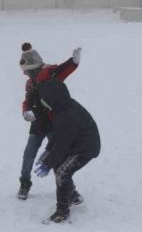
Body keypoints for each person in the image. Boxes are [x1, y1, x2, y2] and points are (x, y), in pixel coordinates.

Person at [33, 64, 100, 224]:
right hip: (76, 144)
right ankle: (73, 196)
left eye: (44, 99)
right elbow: (58, 136)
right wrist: (48, 151)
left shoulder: (67, 114)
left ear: (53, 98)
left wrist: (48, 163)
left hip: (86, 148)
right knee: (60, 168)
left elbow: (63, 143)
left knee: (62, 173)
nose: (43, 102)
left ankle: (62, 211)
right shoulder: (60, 109)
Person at [17, 43, 80, 200]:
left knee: (57, 157)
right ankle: (24, 184)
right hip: (38, 124)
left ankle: (71, 192)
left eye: (26, 71)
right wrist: (26, 111)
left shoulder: (50, 74)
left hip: (54, 124)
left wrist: (73, 62)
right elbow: (28, 100)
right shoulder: (30, 83)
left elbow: (63, 70)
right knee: (28, 154)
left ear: (33, 67)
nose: (25, 74)